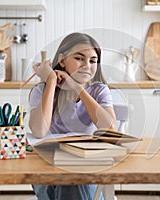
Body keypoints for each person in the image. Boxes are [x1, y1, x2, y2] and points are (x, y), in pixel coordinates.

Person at [28, 32, 116, 200]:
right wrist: (51, 81)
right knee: (64, 178)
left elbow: (109, 129)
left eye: (92, 61)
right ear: (62, 60)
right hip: (48, 166)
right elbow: (39, 130)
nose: (87, 66)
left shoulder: (99, 91)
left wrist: (77, 87)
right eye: (79, 58)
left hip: (85, 165)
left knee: (71, 178)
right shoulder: (41, 90)